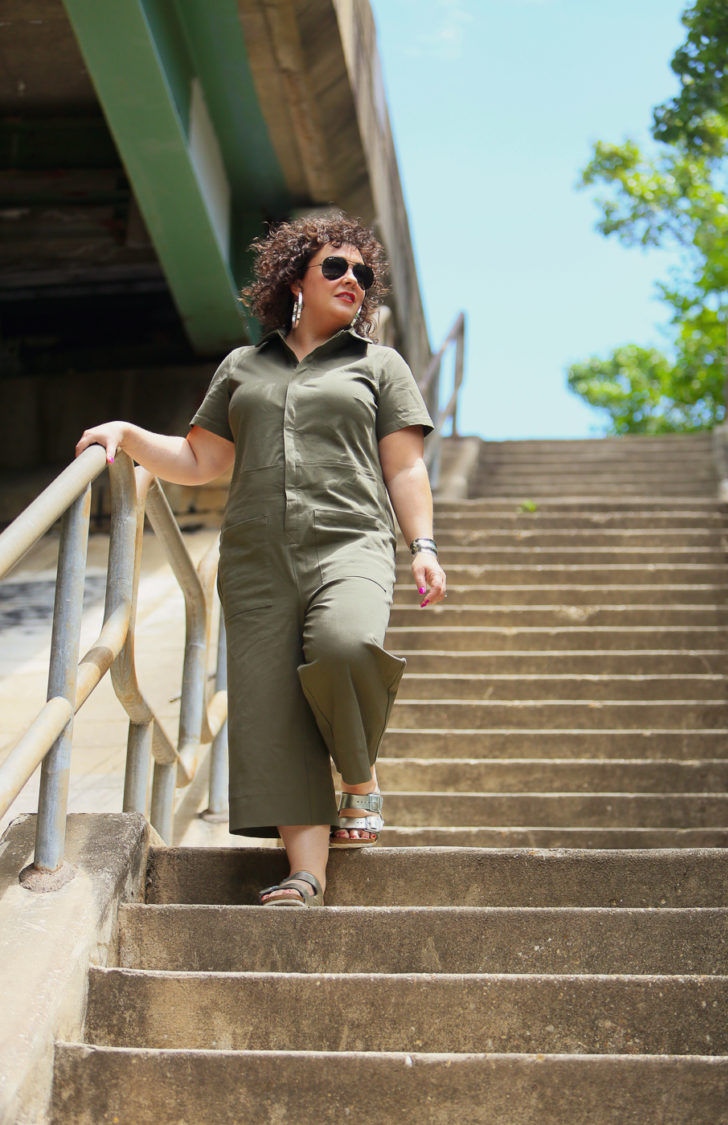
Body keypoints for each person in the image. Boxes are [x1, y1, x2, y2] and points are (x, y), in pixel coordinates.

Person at [76, 212, 446, 907]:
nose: (353, 281)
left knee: (344, 645)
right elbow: (199, 459)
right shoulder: (243, 368)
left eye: (363, 274)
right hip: (255, 560)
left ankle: (359, 779)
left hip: (351, 540)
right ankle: (306, 873)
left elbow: (406, 470)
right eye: (336, 267)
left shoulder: (379, 365)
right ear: (296, 277)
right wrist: (128, 433)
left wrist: (421, 544)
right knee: (276, 712)